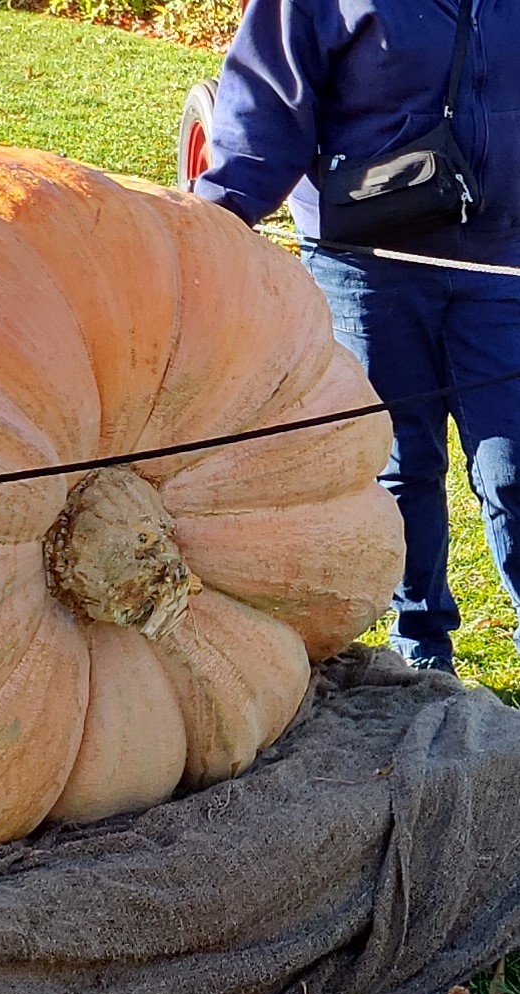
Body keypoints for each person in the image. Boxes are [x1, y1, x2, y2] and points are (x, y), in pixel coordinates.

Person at [193, 0, 520, 676]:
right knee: (401, 465)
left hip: (500, 261)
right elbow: (265, 104)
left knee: (513, 465)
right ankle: (421, 649)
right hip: (367, 264)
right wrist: (212, 226)